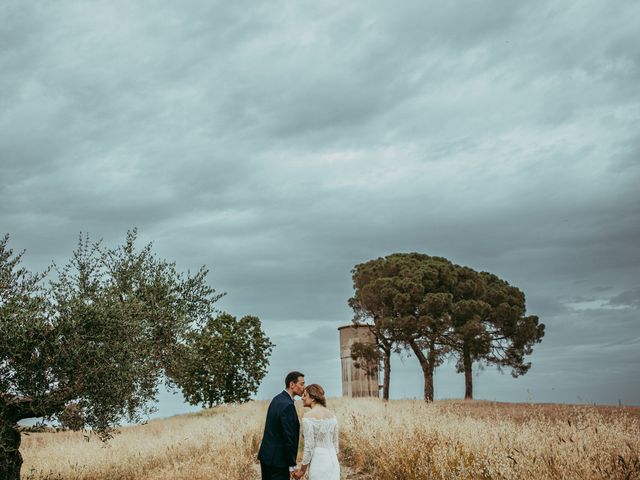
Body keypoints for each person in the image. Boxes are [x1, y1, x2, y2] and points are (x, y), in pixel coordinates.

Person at [257, 371, 305, 480]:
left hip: (266, 456)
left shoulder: (277, 399)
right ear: (292, 385)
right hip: (279, 461)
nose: (304, 387)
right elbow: (288, 437)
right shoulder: (288, 405)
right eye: (301, 384)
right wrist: (292, 464)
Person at [297, 384, 340, 480]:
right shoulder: (332, 416)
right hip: (333, 463)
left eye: (305, 395)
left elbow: (309, 447)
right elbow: (336, 445)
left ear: (312, 398)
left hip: (319, 462)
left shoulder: (308, 417)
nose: (302, 398)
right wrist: (335, 463)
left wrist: (302, 471)